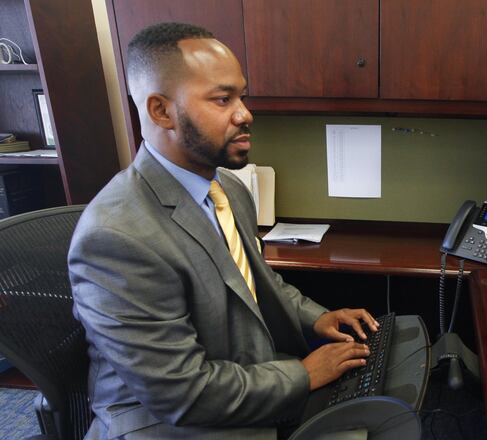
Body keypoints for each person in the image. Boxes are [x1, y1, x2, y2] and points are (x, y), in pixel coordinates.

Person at [69, 22, 377, 439]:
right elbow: (182, 393)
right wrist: (303, 375)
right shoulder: (115, 237)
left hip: (242, 376)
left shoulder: (226, 186)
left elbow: (253, 281)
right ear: (161, 111)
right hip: (171, 422)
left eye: (242, 96)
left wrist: (317, 318)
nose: (245, 113)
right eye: (222, 99)